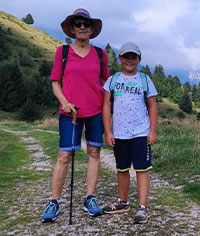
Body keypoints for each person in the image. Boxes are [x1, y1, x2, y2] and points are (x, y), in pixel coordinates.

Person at [42, 8, 109, 222]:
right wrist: (64, 102)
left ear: (91, 29)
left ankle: (90, 197)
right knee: (64, 156)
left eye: (86, 24)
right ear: (72, 28)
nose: (82, 27)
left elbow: (105, 83)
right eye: (78, 23)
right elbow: (55, 82)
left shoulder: (101, 54)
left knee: (94, 154)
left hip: (96, 112)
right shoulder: (62, 53)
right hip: (69, 112)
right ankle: (54, 201)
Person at [102, 42, 158, 224]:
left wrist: (153, 130)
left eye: (133, 57)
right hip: (119, 133)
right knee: (122, 168)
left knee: (142, 169)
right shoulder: (113, 80)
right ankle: (123, 202)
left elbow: (152, 106)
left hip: (141, 132)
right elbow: (106, 105)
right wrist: (108, 131)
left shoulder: (145, 79)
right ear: (120, 59)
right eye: (126, 57)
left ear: (139, 60)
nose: (129, 60)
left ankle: (142, 208)